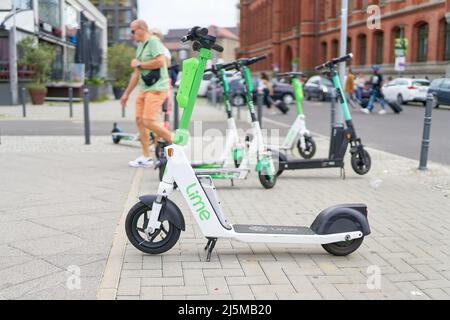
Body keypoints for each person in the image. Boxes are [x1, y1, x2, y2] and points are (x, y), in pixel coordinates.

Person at [120, 20, 172, 168]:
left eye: (132, 31)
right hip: (144, 89)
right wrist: (126, 94)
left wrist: (140, 64)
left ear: (141, 29)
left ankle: (175, 142)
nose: (131, 35)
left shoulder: (154, 41)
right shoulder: (140, 46)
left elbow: (161, 61)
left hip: (157, 88)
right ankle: (146, 157)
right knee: (139, 120)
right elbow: (136, 74)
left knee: (149, 121)